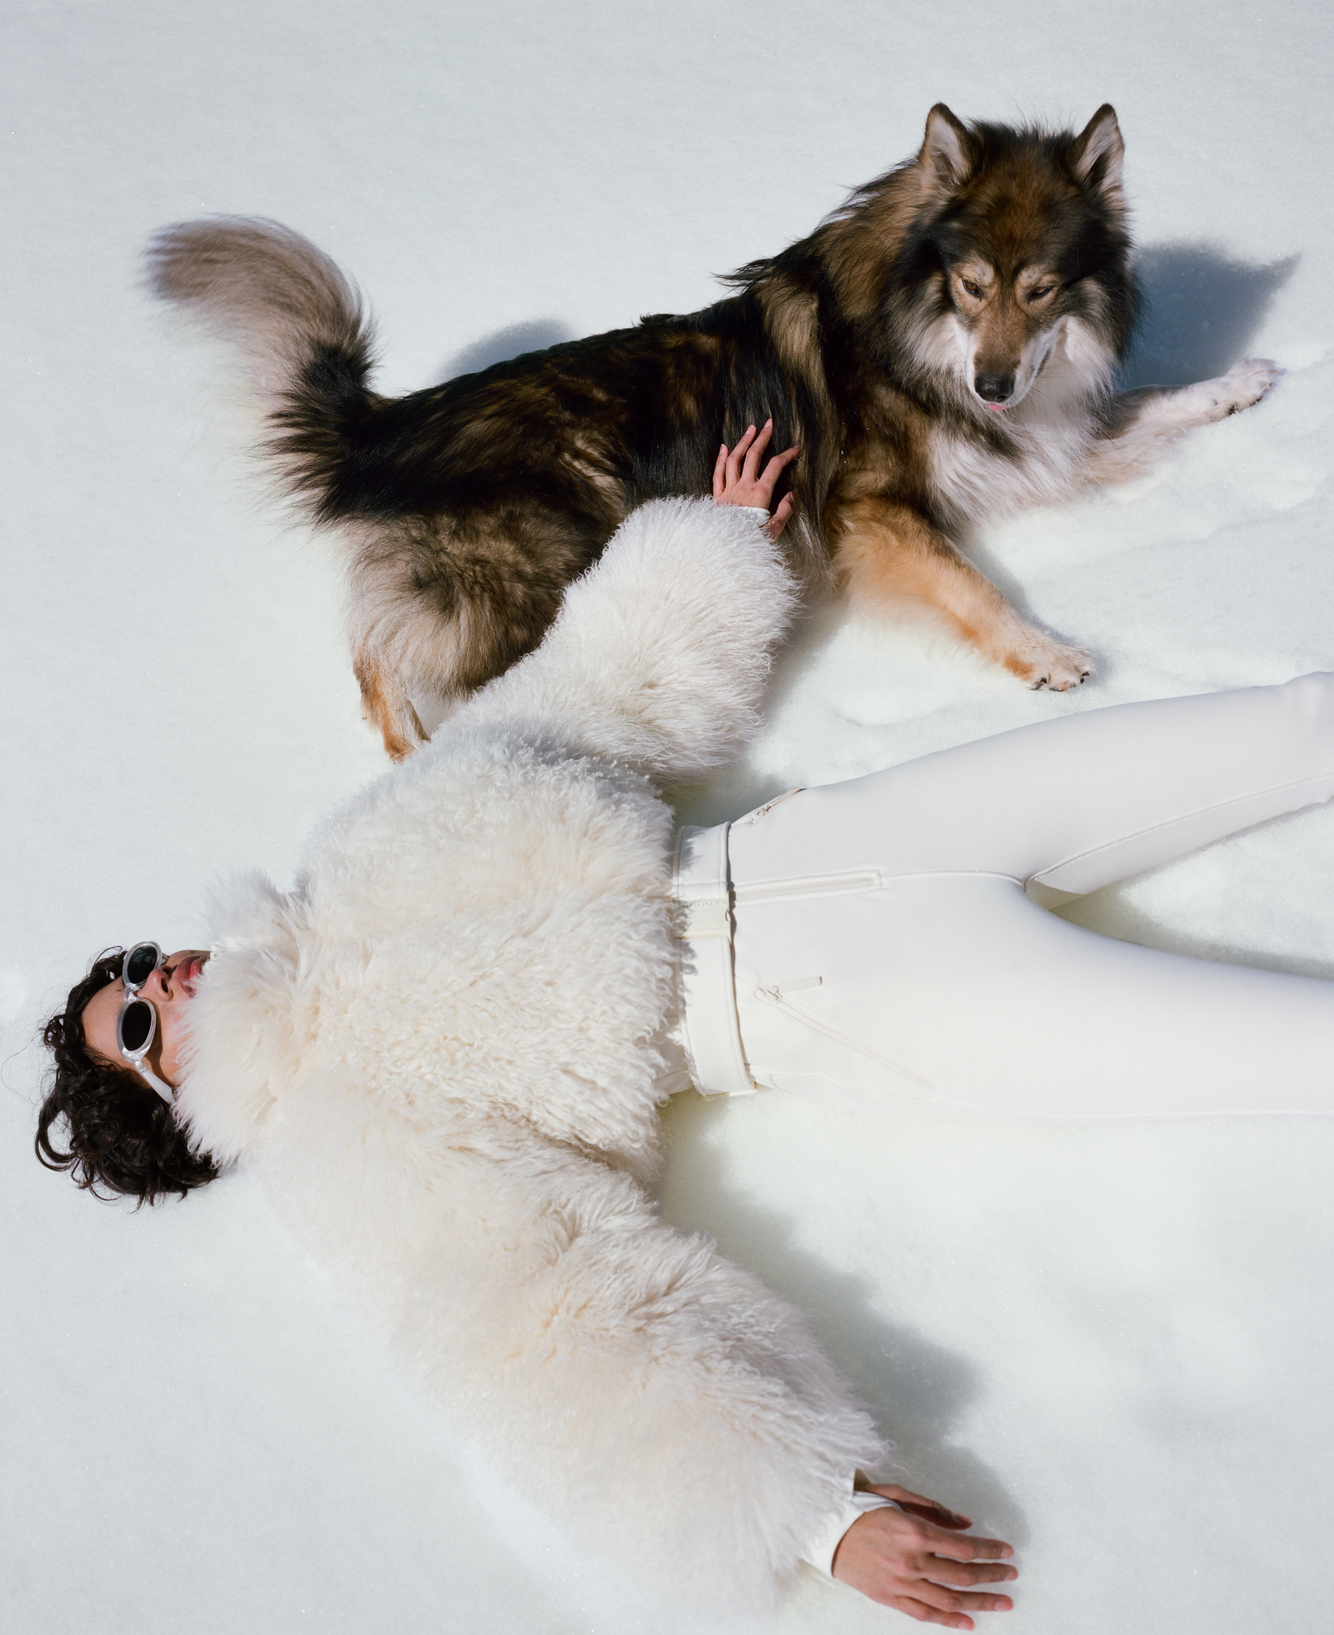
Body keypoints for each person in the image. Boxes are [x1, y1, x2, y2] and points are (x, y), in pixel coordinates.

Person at [36, 426, 1334, 1625]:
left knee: (1290, 727)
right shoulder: (344, 1147)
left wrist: (699, 556)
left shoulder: (354, 854)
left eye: (138, 969)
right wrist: (815, 1518)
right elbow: (539, 1336)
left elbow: (576, 703)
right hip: (869, 1006)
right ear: (178, 1115)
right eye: (141, 1026)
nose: (168, 982)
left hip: (869, 833)